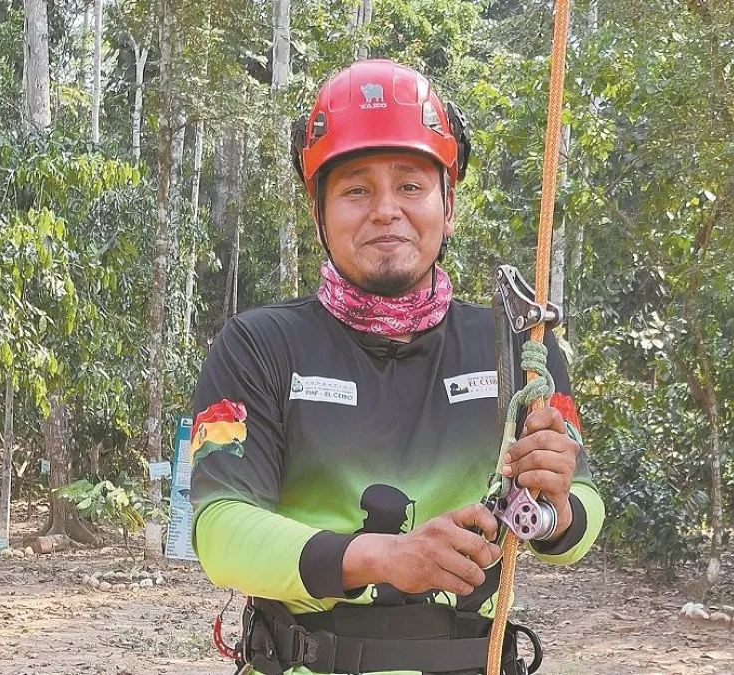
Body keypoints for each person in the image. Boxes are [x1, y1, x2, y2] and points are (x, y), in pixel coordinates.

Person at [190, 59, 604, 675]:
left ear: (448, 204)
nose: (386, 209)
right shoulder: (258, 346)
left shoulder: (518, 347)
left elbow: (580, 520)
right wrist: (381, 556)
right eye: (356, 188)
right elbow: (220, 533)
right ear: (319, 213)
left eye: (410, 185)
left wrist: (554, 507)